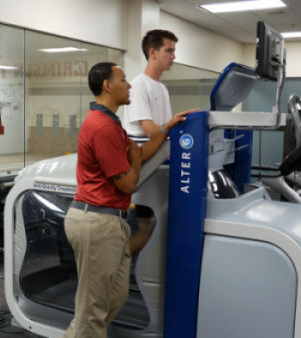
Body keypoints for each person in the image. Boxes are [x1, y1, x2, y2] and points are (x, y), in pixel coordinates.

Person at [63, 62, 194, 338]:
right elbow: (127, 182)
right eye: (123, 79)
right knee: (92, 310)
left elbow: (141, 153)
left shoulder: (113, 123)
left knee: (113, 298)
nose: (130, 84)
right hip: (96, 222)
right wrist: (134, 159)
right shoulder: (103, 128)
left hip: (110, 222)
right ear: (107, 85)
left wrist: (166, 128)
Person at [122, 29, 197, 257]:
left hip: (159, 167)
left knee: (153, 230)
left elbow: (163, 130)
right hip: (143, 169)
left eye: (174, 51)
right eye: (169, 50)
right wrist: (173, 125)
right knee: (145, 231)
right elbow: (151, 130)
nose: (173, 56)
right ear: (153, 52)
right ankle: (114, 270)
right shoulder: (139, 86)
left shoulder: (161, 88)